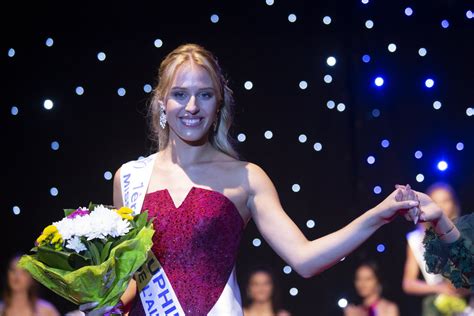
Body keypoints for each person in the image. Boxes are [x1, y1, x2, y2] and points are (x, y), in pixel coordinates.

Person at [91, 43, 420, 316]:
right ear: (162, 103)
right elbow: (131, 279)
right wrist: (98, 302)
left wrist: (379, 215)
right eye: (180, 94)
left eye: (204, 95)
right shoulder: (129, 178)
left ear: (218, 103)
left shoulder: (245, 177)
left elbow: (305, 260)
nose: (192, 106)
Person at [402, 182, 465, 315]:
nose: (441, 206)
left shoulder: (466, 233)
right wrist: (439, 288)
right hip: (436, 307)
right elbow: (408, 284)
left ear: (454, 203)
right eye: (436, 202)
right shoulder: (417, 239)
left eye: (446, 200)